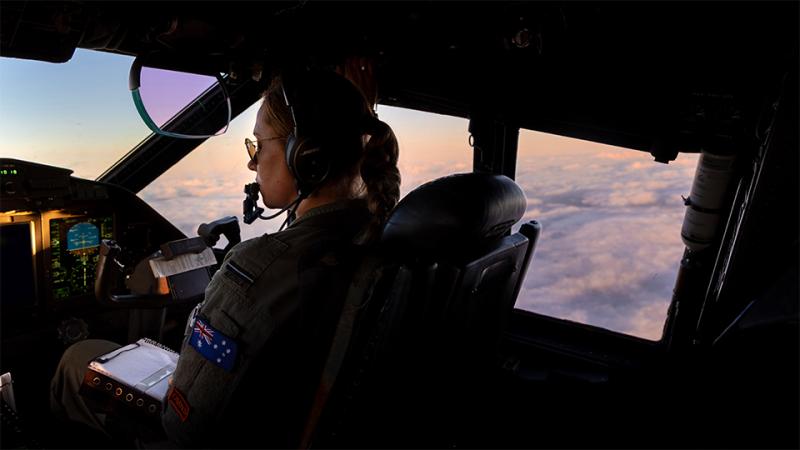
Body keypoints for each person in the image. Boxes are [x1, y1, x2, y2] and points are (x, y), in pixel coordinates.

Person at [50, 69, 401, 448]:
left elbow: (185, 426)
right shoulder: (389, 241)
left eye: (258, 145)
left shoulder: (260, 268)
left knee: (77, 360)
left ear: (305, 157)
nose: (253, 163)